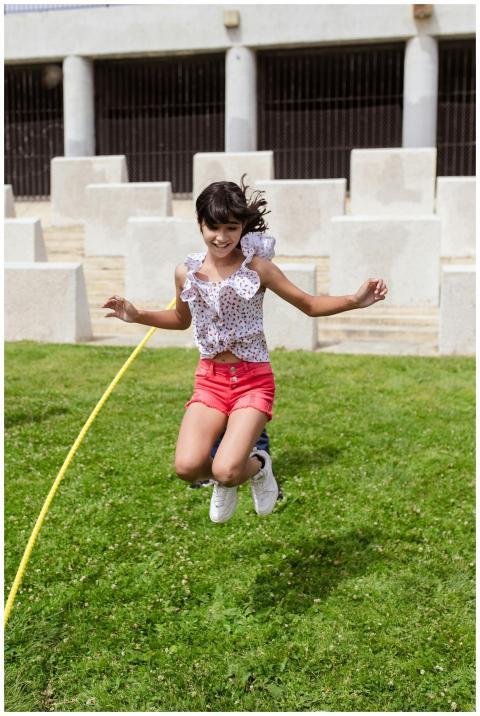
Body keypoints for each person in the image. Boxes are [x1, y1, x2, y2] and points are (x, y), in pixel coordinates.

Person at [103, 176, 388, 524]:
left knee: (225, 470)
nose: (221, 237)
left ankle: (256, 467)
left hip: (253, 380)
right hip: (210, 380)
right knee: (187, 467)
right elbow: (180, 319)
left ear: (242, 228)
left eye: (231, 228)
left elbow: (309, 304)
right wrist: (136, 315)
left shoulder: (257, 268)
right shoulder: (186, 272)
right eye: (213, 227)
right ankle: (247, 471)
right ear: (200, 224)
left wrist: (354, 301)